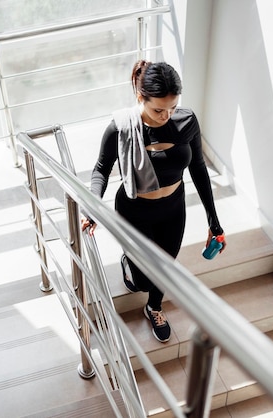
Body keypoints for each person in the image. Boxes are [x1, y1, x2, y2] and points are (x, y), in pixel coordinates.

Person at [81, 60, 226, 343]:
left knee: (166, 269)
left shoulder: (186, 121)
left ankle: (154, 307)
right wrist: (93, 206)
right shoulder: (121, 128)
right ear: (140, 97)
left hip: (173, 208)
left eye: (172, 107)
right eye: (158, 109)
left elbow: (197, 167)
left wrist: (213, 220)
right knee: (142, 280)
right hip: (135, 210)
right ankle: (130, 266)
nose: (166, 115)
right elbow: (101, 169)